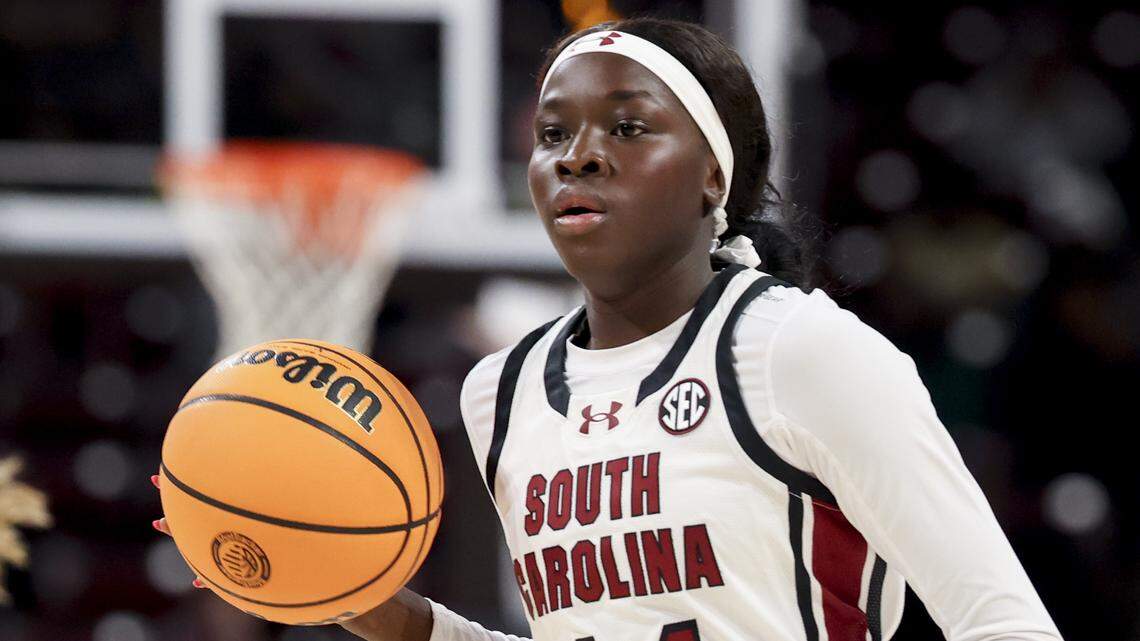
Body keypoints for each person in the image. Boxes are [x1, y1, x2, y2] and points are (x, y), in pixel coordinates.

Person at [153, 17, 1064, 641]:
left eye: (628, 128)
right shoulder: (502, 391)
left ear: (713, 176)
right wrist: (370, 601)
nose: (578, 155)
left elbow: (1005, 622)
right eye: (554, 134)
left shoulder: (801, 351)